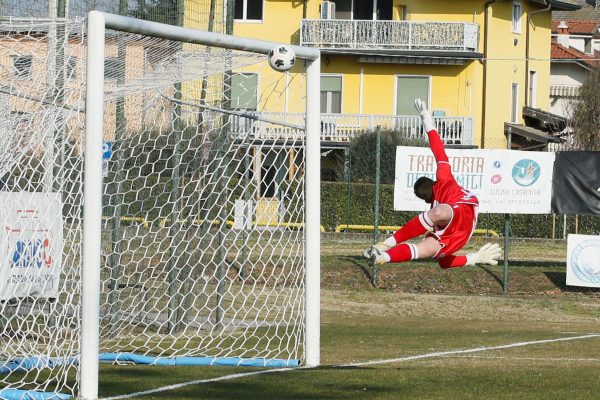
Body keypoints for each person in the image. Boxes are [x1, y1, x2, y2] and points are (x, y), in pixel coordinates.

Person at [363, 99, 502, 268]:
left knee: (439, 212)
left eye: (423, 196)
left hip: (461, 212)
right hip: (454, 237)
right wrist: (475, 258)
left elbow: (439, 151)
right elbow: (444, 262)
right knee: (427, 249)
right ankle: (382, 256)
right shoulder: (435, 212)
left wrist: (427, 120)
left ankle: (387, 244)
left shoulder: (443, 181)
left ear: (427, 191)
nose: (425, 200)